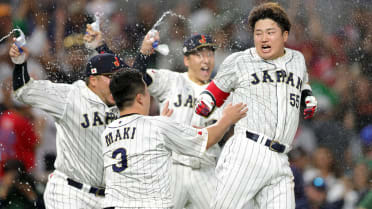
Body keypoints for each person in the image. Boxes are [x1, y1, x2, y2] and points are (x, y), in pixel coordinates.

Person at [8, 33, 154, 208]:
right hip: (70, 192)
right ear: (93, 80)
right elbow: (23, 90)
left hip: (109, 196)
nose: (118, 82)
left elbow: (137, 78)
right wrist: (20, 63)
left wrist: (144, 54)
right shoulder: (69, 96)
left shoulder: (123, 98)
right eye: (111, 77)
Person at [194, 2, 318, 209]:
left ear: (285, 36)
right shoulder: (240, 61)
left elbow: (303, 84)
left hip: (281, 158)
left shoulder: (297, 59)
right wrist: (206, 103)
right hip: (247, 151)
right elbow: (215, 91)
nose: (263, 38)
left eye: (270, 32)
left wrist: (308, 97)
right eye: (258, 33)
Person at [92, 31, 227, 208]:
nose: (206, 60)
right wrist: (107, 49)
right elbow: (131, 79)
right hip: (174, 168)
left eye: (210, 54)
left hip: (205, 169)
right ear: (186, 60)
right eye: (199, 54)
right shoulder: (171, 80)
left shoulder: (223, 89)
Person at [101, 68, 247, 209]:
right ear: (139, 98)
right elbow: (207, 139)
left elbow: (138, 141)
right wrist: (226, 120)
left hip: (114, 204)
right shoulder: (157, 126)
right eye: (146, 93)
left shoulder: (107, 133)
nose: (149, 97)